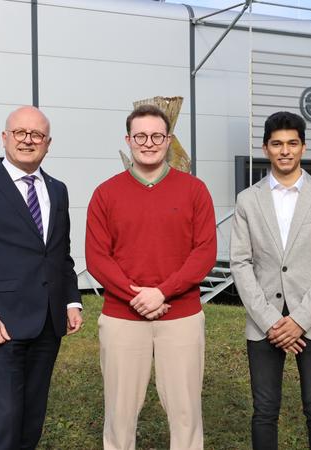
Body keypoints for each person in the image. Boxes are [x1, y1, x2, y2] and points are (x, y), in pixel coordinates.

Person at [0, 106, 83, 450]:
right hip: (1, 323)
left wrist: (71, 299)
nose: (28, 140)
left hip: (48, 322)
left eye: (36, 134)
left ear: (48, 143)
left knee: (32, 417)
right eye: (20, 132)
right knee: (6, 418)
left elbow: (60, 254)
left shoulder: (58, 190)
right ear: (5, 138)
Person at [85, 104, 217, 450]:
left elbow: (204, 252)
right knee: (120, 412)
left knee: (186, 411)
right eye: (140, 136)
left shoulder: (194, 190)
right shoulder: (106, 193)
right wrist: (136, 295)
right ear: (128, 140)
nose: (148, 142)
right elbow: (97, 257)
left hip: (182, 316)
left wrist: (162, 292)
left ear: (168, 139)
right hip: (122, 318)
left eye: (157, 135)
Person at [230, 111, 311, 450]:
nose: (285, 151)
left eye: (292, 143)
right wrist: (271, 321)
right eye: (277, 144)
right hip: (263, 321)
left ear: (303, 147)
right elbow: (241, 263)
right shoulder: (247, 200)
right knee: (264, 410)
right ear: (265, 148)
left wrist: (299, 319)